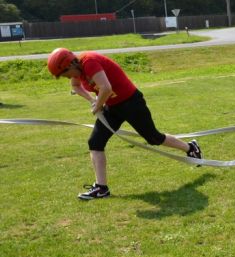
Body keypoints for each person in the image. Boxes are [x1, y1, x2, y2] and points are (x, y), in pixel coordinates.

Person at [47, 48, 203, 200]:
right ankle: (101, 188)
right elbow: (76, 86)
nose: (67, 77)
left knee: (153, 138)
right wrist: (92, 100)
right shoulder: (78, 72)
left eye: (64, 74)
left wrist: (98, 105)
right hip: (112, 107)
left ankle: (191, 148)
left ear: (70, 64)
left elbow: (106, 88)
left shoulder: (89, 62)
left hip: (131, 103)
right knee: (95, 142)